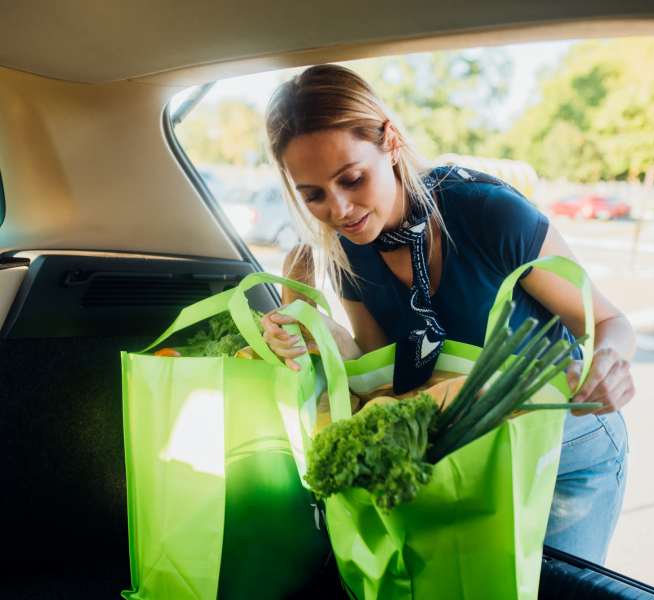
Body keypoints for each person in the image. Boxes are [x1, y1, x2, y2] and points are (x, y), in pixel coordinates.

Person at [260, 63, 634, 565]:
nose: (341, 209)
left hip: (563, 441)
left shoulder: (488, 214)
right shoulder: (349, 249)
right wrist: (315, 337)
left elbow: (609, 323)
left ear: (390, 141)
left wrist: (608, 362)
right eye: (314, 196)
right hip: (468, 448)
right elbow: (385, 372)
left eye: (351, 179)